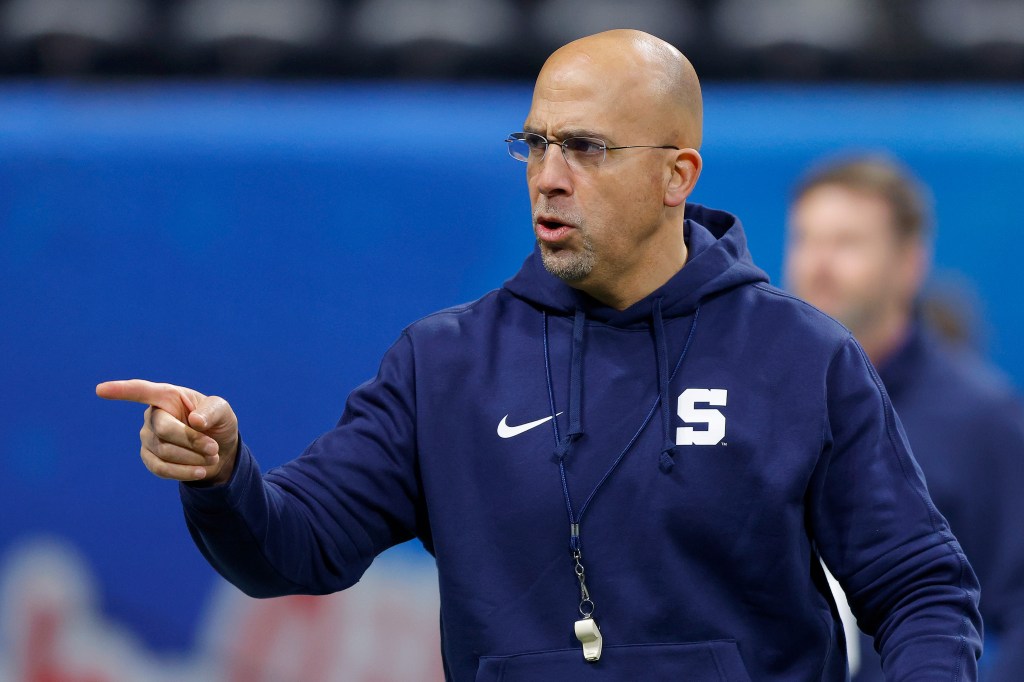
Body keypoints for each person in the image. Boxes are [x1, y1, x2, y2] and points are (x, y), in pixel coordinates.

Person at [97, 30, 982, 680]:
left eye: (586, 148)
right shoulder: (444, 364)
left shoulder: (800, 357)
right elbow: (295, 549)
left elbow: (922, 591)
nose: (548, 174)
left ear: (678, 175)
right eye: (536, 142)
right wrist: (223, 475)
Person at [785, 155, 1024, 680]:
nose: (818, 265)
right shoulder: (757, 401)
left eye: (846, 243)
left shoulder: (982, 421)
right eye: (806, 239)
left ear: (909, 262)